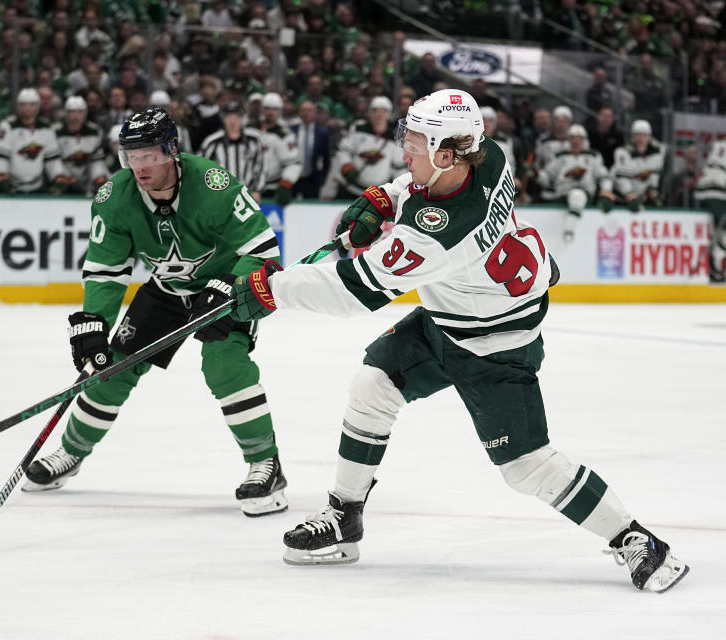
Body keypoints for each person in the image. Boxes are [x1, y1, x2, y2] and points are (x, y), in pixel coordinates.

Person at [227, 88, 689, 593]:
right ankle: (345, 517)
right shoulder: (487, 155)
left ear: (447, 152)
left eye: (416, 143)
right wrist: (393, 193)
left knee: (526, 466)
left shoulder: (436, 238)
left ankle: (636, 540)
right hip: (458, 313)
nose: (404, 151)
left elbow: (351, 291)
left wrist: (270, 290)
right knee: (373, 385)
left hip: (495, 344)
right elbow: (426, 185)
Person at [22, 107, 288, 518]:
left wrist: (227, 287)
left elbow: (263, 252)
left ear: (171, 150)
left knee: (223, 362)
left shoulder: (213, 185)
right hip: (166, 292)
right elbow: (106, 271)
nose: (140, 167)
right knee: (110, 366)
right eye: (132, 156)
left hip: (225, 289)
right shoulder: (115, 198)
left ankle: (265, 465)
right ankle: (72, 452)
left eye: (149, 155)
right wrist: (94, 324)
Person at [537, 123, 611, 244]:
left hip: (585, 192)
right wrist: (536, 174)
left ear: (584, 140)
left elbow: (604, 176)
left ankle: (569, 230)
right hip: (562, 193)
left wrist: (605, 192)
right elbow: (546, 177)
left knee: (577, 195)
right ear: (568, 140)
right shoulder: (560, 157)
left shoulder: (592, 156)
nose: (575, 141)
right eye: (572, 138)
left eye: (579, 138)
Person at [0, 88, 70, 194]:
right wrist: (1, 175)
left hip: (38, 187)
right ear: (18, 106)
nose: (27, 108)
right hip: (11, 187)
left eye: (32, 104)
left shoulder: (46, 128)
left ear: (38, 106)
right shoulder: (7, 126)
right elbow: (0, 156)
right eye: (24, 104)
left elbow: (52, 159)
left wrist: (58, 175)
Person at [333, 96, 405, 200]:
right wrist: (346, 166)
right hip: (351, 189)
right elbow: (342, 151)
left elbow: (399, 168)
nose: (379, 114)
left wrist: (396, 190)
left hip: (378, 194)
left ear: (388, 114)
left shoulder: (394, 138)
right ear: (370, 112)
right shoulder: (358, 130)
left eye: (383, 111)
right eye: (376, 110)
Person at [199, 101, 266, 204]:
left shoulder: (254, 140)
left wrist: (257, 190)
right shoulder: (212, 142)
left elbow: (260, 167)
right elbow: (200, 168)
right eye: (229, 117)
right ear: (223, 119)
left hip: (248, 196)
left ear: (242, 119)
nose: (232, 121)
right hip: (219, 198)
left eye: (236, 117)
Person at [253, 92, 301, 207]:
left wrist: (286, 183)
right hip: (249, 186)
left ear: (280, 111)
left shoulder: (285, 135)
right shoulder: (250, 129)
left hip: (272, 188)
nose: (270, 112)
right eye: (267, 108)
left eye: (274, 109)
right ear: (262, 110)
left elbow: (294, 163)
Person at [54, 95, 108, 196]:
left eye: (79, 112)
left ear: (85, 113)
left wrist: (98, 176)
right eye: (72, 112)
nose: (75, 116)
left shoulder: (95, 131)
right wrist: (64, 176)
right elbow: (56, 160)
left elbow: (97, 160)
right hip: (65, 178)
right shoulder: (56, 131)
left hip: (89, 180)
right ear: (66, 113)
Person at [609, 120, 667, 211]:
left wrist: (652, 190)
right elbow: (621, 177)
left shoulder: (658, 151)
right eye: (637, 134)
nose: (640, 138)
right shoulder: (622, 152)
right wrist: (629, 194)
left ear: (649, 136)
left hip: (641, 195)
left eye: (644, 135)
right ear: (633, 135)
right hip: (620, 194)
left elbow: (654, 173)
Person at [694, 139, 726, 281]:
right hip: (717, 190)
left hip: (706, 189)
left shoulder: (720, 144)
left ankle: (716, 263)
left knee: (719, 230)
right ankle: (716, 264)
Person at [290, 100, 331, 200]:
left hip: (312, 179)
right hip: (293, 177)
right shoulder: (292, 130)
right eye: (303, 110)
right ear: (299, 113)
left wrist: (321, 179)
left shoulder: (322, 133)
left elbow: (326, 159)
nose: (306, 113)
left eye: (309, 110)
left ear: (314, 113)